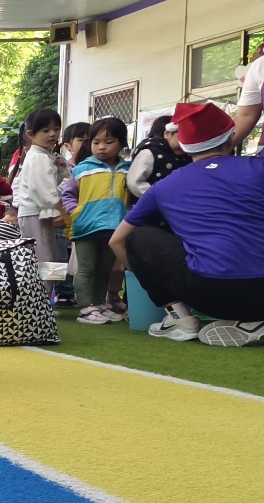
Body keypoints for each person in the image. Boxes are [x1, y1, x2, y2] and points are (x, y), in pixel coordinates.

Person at [110, 101, 264, 346]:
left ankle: (180, 318)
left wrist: (146, 275)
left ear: (183, 144)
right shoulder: (258, 168)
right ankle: (255, 320)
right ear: (231, 136)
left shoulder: (163, 186)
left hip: (207, 294)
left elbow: (116, 240)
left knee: (137, 235)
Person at [62, 118, 131, 324]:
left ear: (121, 143)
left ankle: (99, 304)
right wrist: (77, 212)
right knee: (86, 269)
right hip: (86, 227)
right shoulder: (82, 169)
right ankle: (85, 308)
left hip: (115, 228)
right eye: (96, 142)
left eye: (109, 142)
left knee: (104, 270)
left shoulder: (128, 169)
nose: (101, 147)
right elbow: (67, 194)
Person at [14, 109, 70, 275]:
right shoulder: (38, 157)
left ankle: (48, 290)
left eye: (56, 129)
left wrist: (61, 170)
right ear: (31, 134)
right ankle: (44, 290)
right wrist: (54, 209)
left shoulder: (44, 155)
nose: (52, 134)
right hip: (37, 213)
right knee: (45, 259)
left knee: (49, 257)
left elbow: (50, 184)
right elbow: (42, 188)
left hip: (39, 212)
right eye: (46, 130)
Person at [127, 115, 189, 199]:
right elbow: (134, 183)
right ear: (168, 133)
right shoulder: (150, 152)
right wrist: (159, 195)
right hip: (152, 203)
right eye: (184, 134)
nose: (188, 139)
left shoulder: (185, 155)